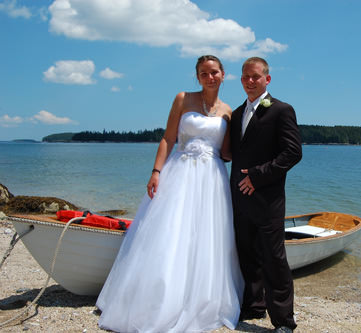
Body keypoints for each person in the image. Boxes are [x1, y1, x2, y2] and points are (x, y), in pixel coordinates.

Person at [96, 55, 244, 332]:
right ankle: (156, 298)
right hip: (180, 171)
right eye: (203, 73)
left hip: (212, 178)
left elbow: (227, 152)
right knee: (169, 231)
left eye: (214, 72)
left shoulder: (229, 112)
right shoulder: (183, 98)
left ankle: (200, 296)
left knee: (207, 235)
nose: (209, 77)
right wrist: (156, 171)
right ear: (197, 77)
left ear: (224, 75)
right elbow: (168, 138)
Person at [230, 57, 302, 332]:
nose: (250, 81)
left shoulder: (282, 110)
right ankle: (254, 306)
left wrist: (257, 176)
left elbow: (293, 153)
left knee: (274, 258)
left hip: (268, 198)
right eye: (246, 77)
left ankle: (284, 321)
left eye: (256, 77)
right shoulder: (237, 114)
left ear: (267, 79)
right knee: (246, 253)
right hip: (239, 197)